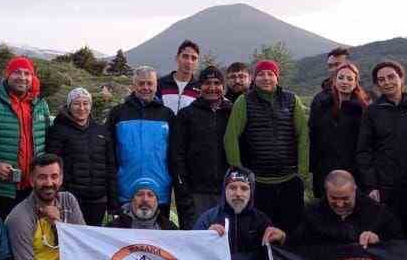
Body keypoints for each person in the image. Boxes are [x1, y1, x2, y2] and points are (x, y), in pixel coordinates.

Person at [224, 58, 309, 231]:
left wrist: (302, 172)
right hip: (258, 181)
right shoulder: (244, 101)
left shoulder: (292, 100)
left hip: (290, 179)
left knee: (291, 231)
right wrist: (240, 171)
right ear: (254, 78)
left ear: (277, 78)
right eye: (261, 74)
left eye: (270, 74)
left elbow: (303, 136)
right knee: (259, 232)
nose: (266, 78)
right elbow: (231, 137)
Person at [0, 57, 52, 220]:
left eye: (27, 73)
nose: (22, 77)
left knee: (30, 239)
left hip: (33, 188)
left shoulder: (41, 105)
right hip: (0, 189)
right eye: (17, 72)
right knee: (1, 237)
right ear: (7, 75)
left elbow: (48, 140)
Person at [355, 60, 407, 235]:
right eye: (381, 79)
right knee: (389, 238)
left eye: (391, 77)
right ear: (377, 84)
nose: (387, 82)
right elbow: (364, 151)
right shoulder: (372, 112)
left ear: (401, 78)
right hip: (385, 189)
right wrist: (371, 186)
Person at [106, 66, 176, 218]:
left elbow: (175, 153)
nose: (146, 87)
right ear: (133, 85)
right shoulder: (118, 113)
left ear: (156, 86)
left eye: (150, 83)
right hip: (125, 191)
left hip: (159, 192)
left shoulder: (167, 115)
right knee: (126, 241)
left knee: (156, 240)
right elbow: (108, 153)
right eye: (141, 83)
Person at [169, 64, 231, 226]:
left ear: (223, 87)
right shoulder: (186, 115)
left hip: (227, 191)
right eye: (207, 83)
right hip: (195, 192)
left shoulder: (232, 113)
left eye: (217, 83)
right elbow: (177, 154)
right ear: (199, 87)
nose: (212, 88)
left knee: (225, 243)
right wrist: (183, 190)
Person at [46, 87, 114, 226]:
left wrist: (113, 202)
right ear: (69, 106)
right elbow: (53, 166)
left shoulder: (101, 131)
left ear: (91, 106)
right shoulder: (57, 131)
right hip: (71, 199)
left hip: (98, 200)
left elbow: (111, 166)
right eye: (77, 103)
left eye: (86, 103)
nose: (81, 108)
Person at [289, 170, 400, 247]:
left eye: (345, 198)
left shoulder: (377, 212)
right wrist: (284, 238)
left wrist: (378, 240)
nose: (340, 204)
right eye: (333, 198)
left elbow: (398, 243)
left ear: (354, 190)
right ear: (326, 192)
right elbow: (297, 245)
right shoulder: (312, 212)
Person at [309, 61, 370, 193]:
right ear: (334, 81)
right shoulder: (322, 106)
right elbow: (313, 136)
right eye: (341, 77)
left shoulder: (363, 110)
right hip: (324, 169)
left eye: (350, 79)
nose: (345, 82)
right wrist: (313, 167)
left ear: (355, 83)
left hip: (353, 170)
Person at [109, 179, 179, 229]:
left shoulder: (168, 229)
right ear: (131, 200)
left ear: (157, 202)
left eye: (150, 195)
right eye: (139, 194)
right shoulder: (113, 228)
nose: (145, 199)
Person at [157, 40, 201, 115]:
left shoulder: (200, 88)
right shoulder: (160, 84)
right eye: (185, 56)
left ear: (197, 63)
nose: (189, 61)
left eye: (194, 58)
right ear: (177, 58)